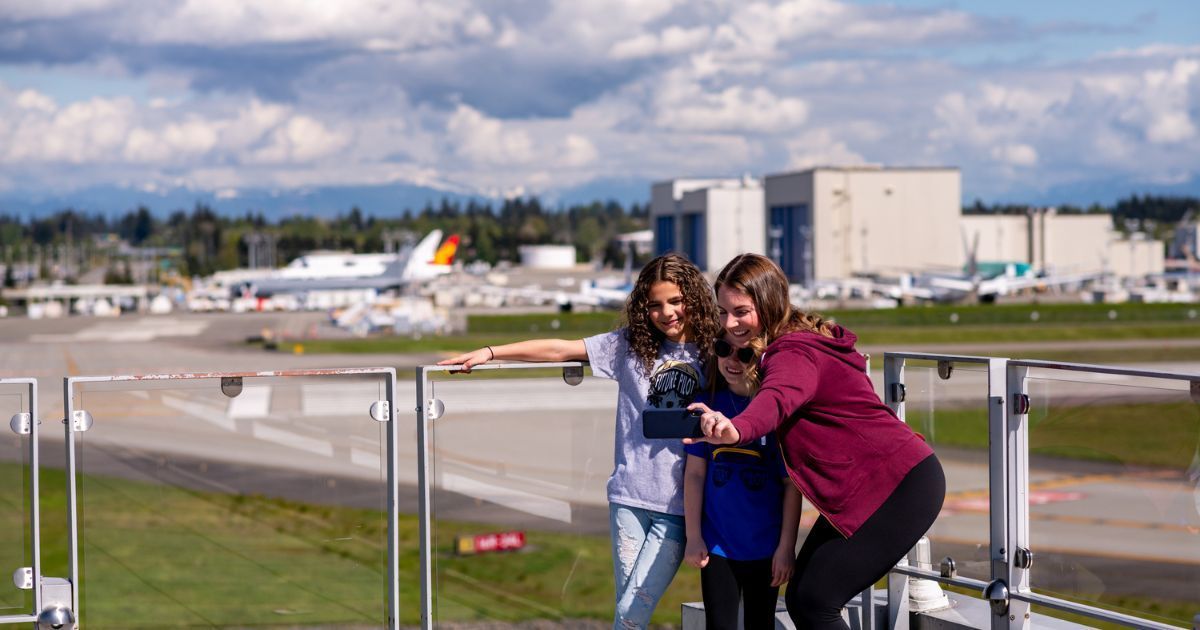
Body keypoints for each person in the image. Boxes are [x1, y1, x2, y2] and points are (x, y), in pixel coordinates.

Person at [438, 253, 721, 629]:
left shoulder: (716, 351)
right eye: (655, 305)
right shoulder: (629, 345)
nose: (666, 312)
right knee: (629, 609)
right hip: (627, 498)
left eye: (675, 301)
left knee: (632, 613)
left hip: (679, 505)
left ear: (694, 298)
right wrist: (490, 353)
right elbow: (559, 349)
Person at [686, 253, 945, 630]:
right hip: (870, 487)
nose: (730, 323)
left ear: (770, 304)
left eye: (741, 311)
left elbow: (776, 399)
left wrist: (737, 429)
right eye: (723, 313)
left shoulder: (793, 351)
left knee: (813, 600)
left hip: (898, 485)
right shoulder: (800, 342)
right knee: (806, 597)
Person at [683, 333, 802, 630]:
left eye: (745, 354)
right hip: (717, 545)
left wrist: (786, 547)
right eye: (724, 349)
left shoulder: (774, 412)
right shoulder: (708, 406)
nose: (733, 360)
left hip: (766, 548)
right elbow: (695, 474)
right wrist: (694, 536)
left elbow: (791, 485)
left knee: (760, 623)